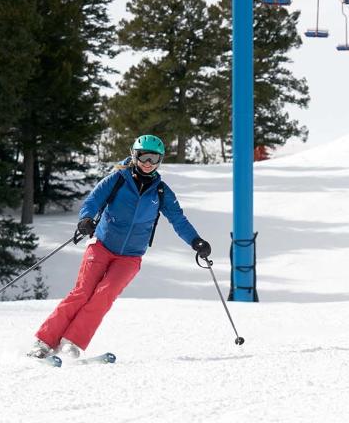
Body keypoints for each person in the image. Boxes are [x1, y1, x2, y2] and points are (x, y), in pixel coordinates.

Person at [26, 135, 211, 360]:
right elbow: (92, 202)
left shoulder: (161, 192)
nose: (148, 163)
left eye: (154, 158)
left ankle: (71, 341)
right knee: (83, 292)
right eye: (144, 156)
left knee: (104, 295)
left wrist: (196, 241)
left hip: (131, 256)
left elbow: (178, 220)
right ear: (135, 155)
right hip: (102, 245)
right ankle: (44, 341)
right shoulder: (118, 179)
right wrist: (86, 219)